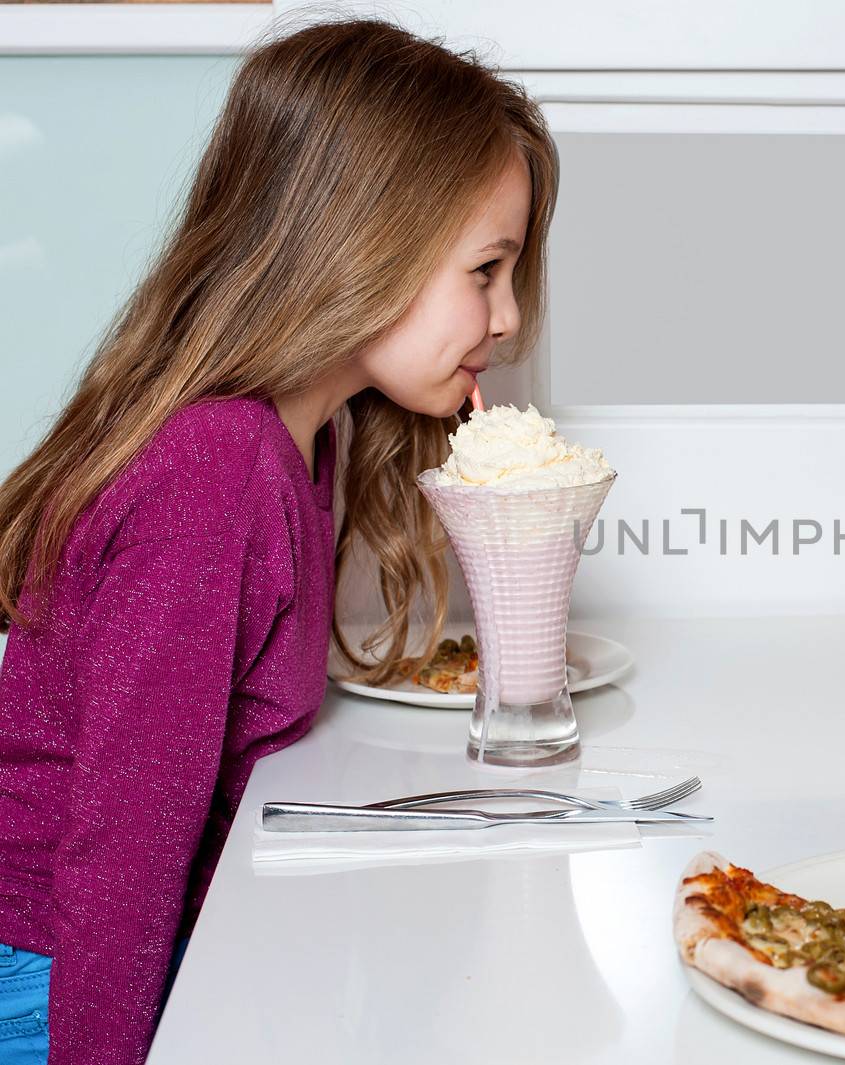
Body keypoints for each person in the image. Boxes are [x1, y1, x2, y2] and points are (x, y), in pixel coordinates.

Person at [0, 20, 558, 1062]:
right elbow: (126, 850)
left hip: (128, 949)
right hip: (55, 978)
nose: (510, 318)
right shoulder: (217, 466)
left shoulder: (306, 441)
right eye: (486, 271)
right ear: (358, 242)